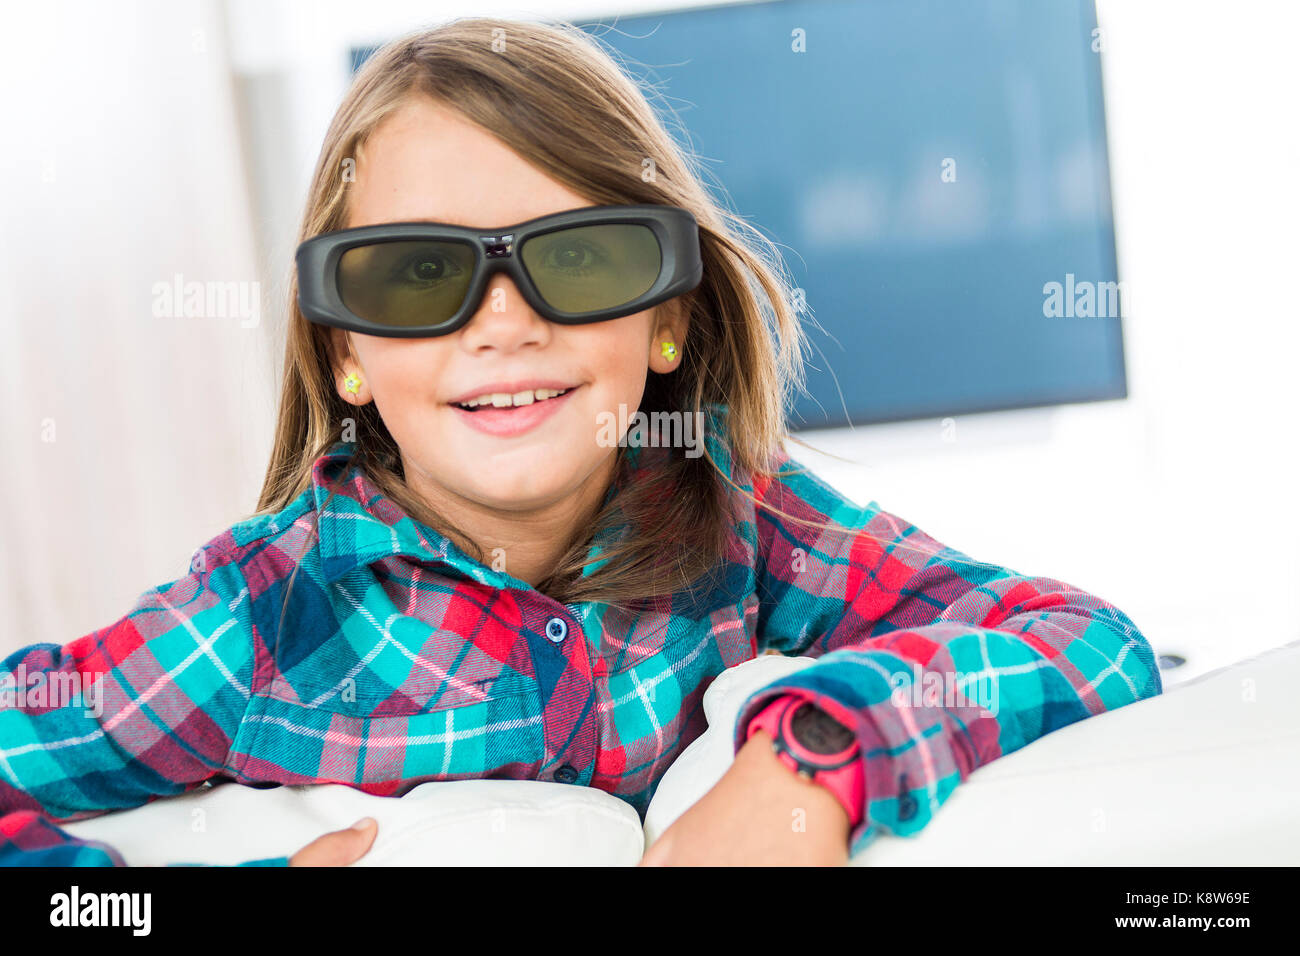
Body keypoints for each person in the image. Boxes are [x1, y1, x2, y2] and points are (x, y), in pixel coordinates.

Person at [0, 17, 1161, 867]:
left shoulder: (747, 524)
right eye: (415, 273)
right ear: (344, 353)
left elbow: (1091, 641)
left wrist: (808, 759)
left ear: (663, 318)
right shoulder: (254, 620)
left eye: (581, 256)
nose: (503, 321)